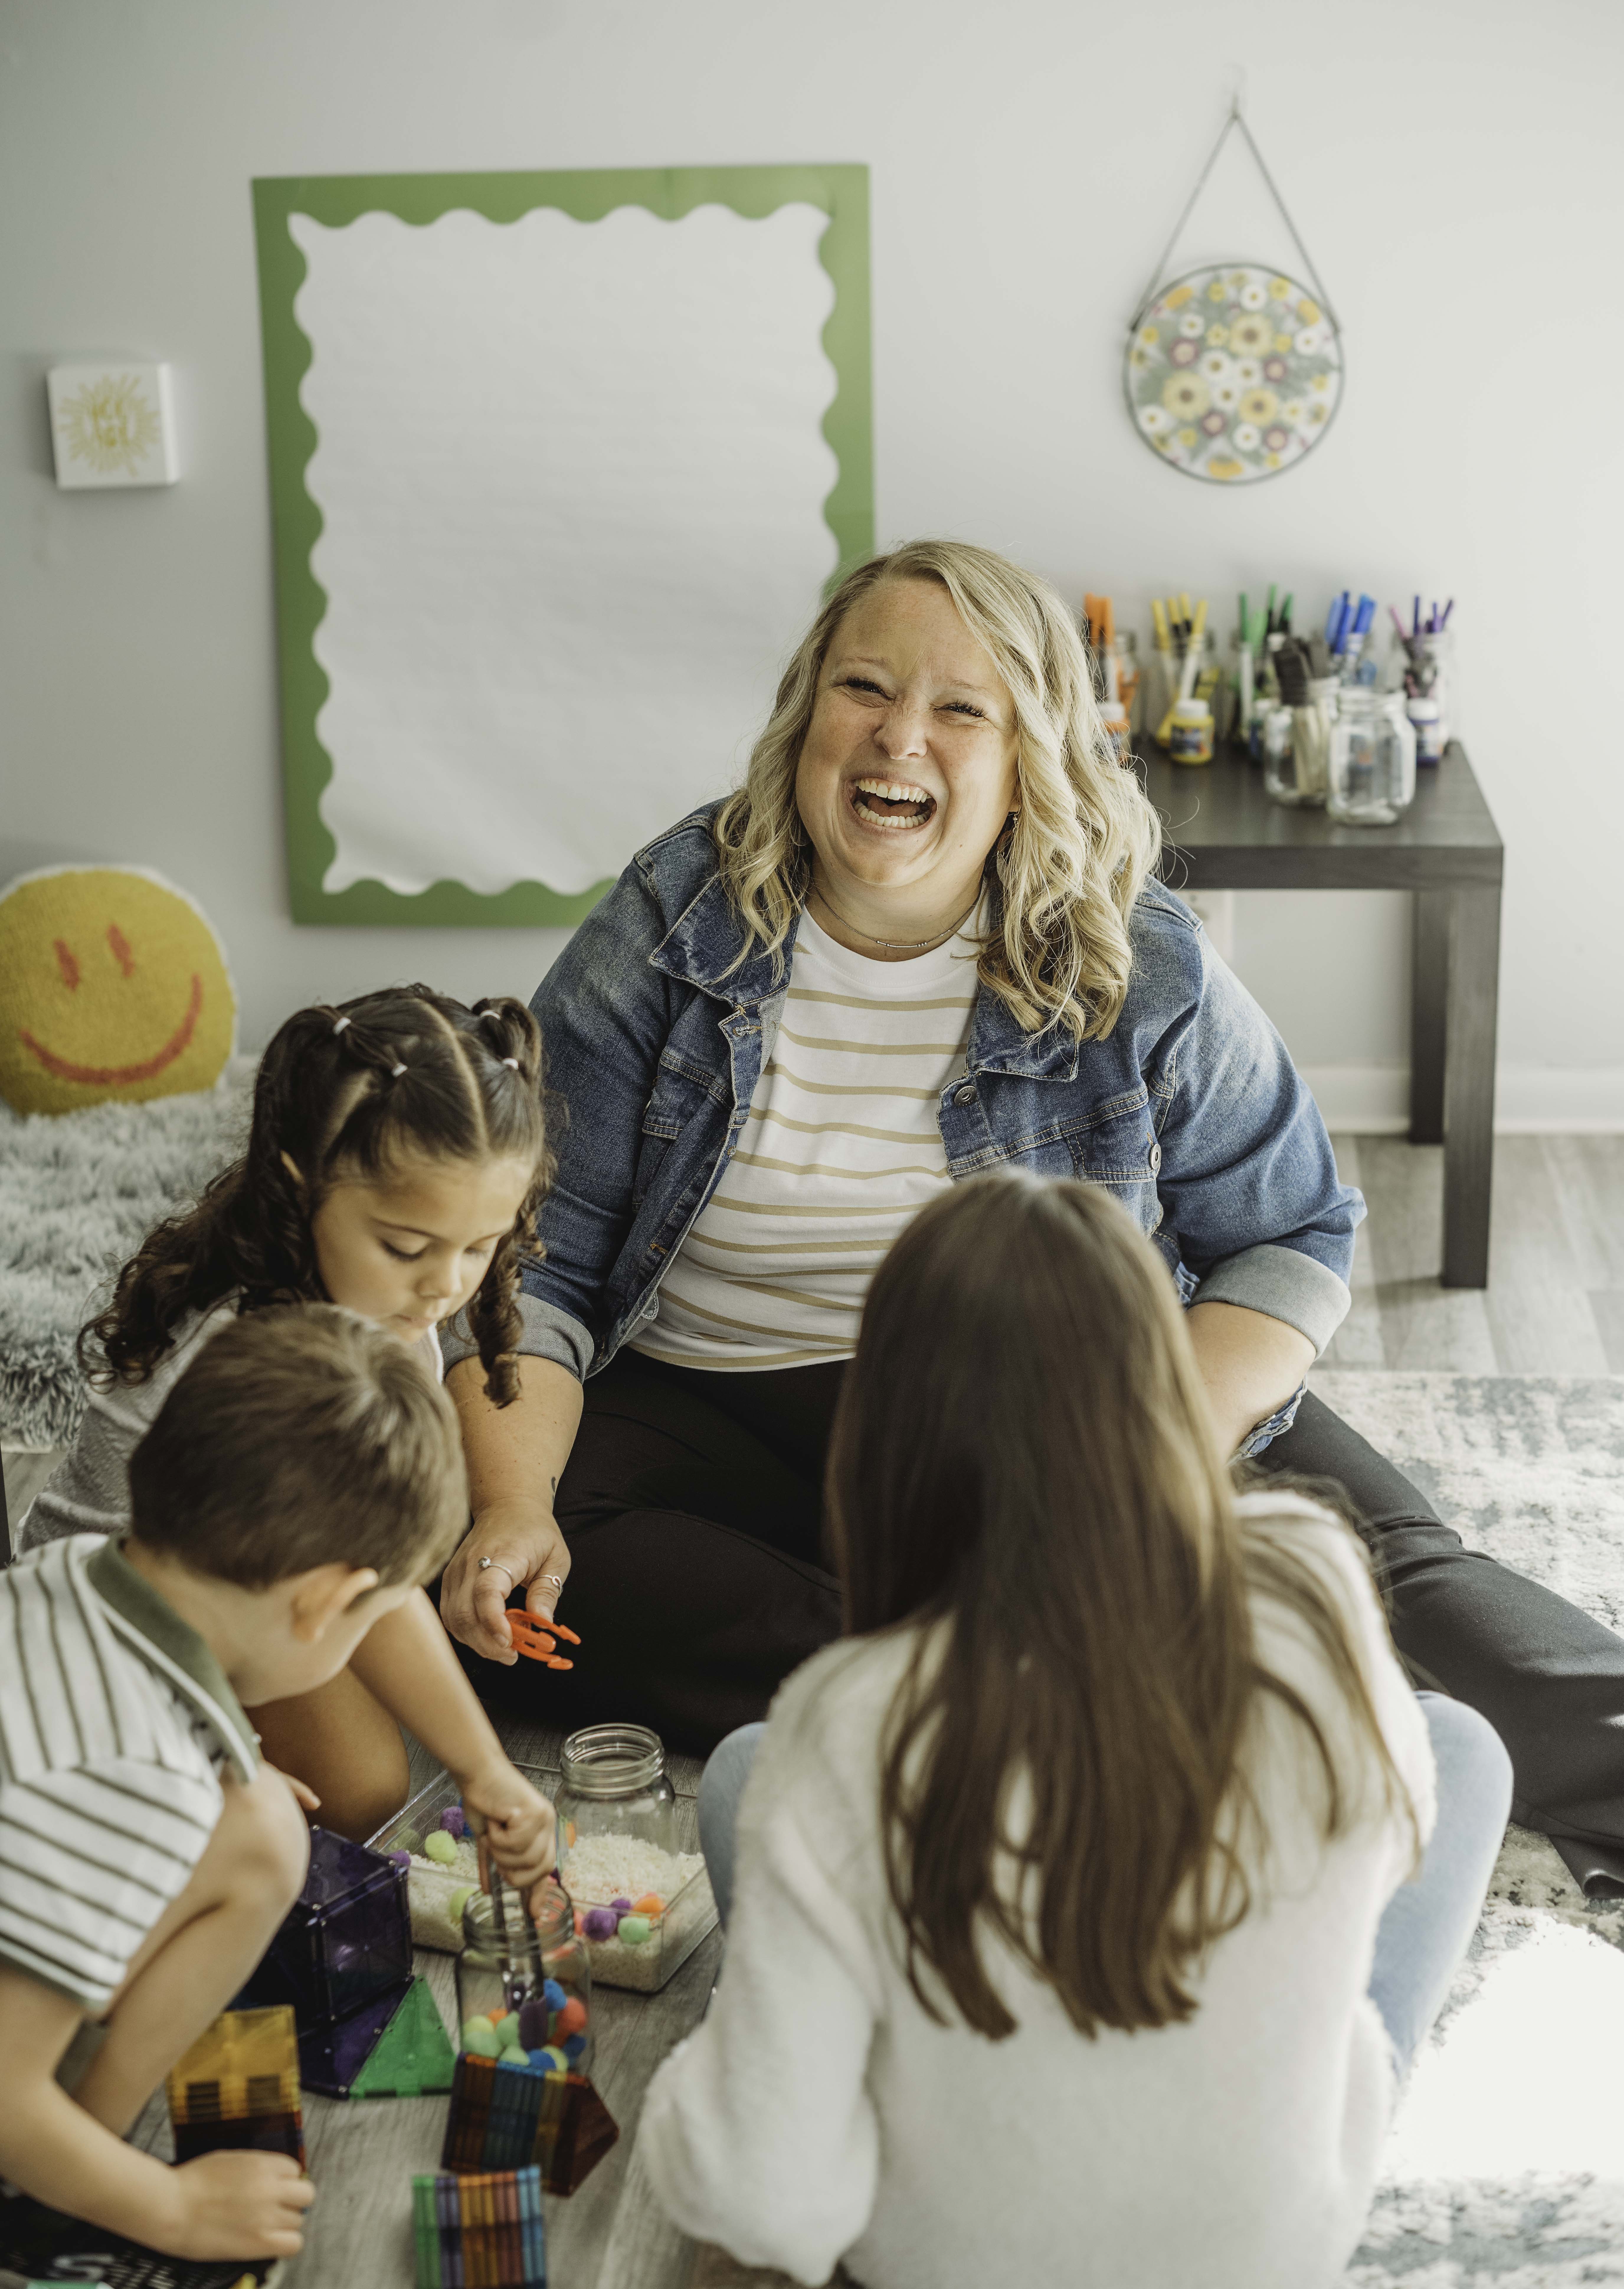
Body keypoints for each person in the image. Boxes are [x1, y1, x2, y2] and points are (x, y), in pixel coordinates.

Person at [436, 538, 1624, 1892]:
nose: (898, 738)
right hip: (720, 1406)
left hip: (1068, 1406)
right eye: (862, 688)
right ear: (802, 713)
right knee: (495, 1574)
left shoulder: (1136, 948)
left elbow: (1289, 1238)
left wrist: (1141, 1459)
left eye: (960, 709)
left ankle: (1007, 1664)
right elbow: (536, 1256)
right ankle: (1038, 1688)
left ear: (1026, 757)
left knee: (1386, 1587)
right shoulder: (673, 910)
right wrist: (512, 1502)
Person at [638, 1176, 1513, 2289]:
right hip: (1266, 2261)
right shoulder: (1304, 1582)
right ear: (1162, 1385)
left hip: (946, 2274)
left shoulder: (850, 1714)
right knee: (1457, 1746)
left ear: (884, 1426)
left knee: (749, 1770)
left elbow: (762, 2203)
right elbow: (1387, 1836)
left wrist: (694, 2089)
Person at [0, 1304, 551, 2289]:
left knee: (260, 1822)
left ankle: (75, 2157)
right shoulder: (136, 1783)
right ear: (325, 1604)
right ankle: (48, 2208)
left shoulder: (71, 1572)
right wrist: (175, 2204)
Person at [24, 984, 566, 1844]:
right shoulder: (250, 1357)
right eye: (406, 1246)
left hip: (265, 1581)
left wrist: (484, 1767)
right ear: (301, 1185)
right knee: (360, 1797)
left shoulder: (394, 1313)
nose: (446, 1286)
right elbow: (345, 1594)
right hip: (113, 1634)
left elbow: (373, 1571)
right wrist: (207, 1745)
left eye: (479, 1246)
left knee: (381, 1785)